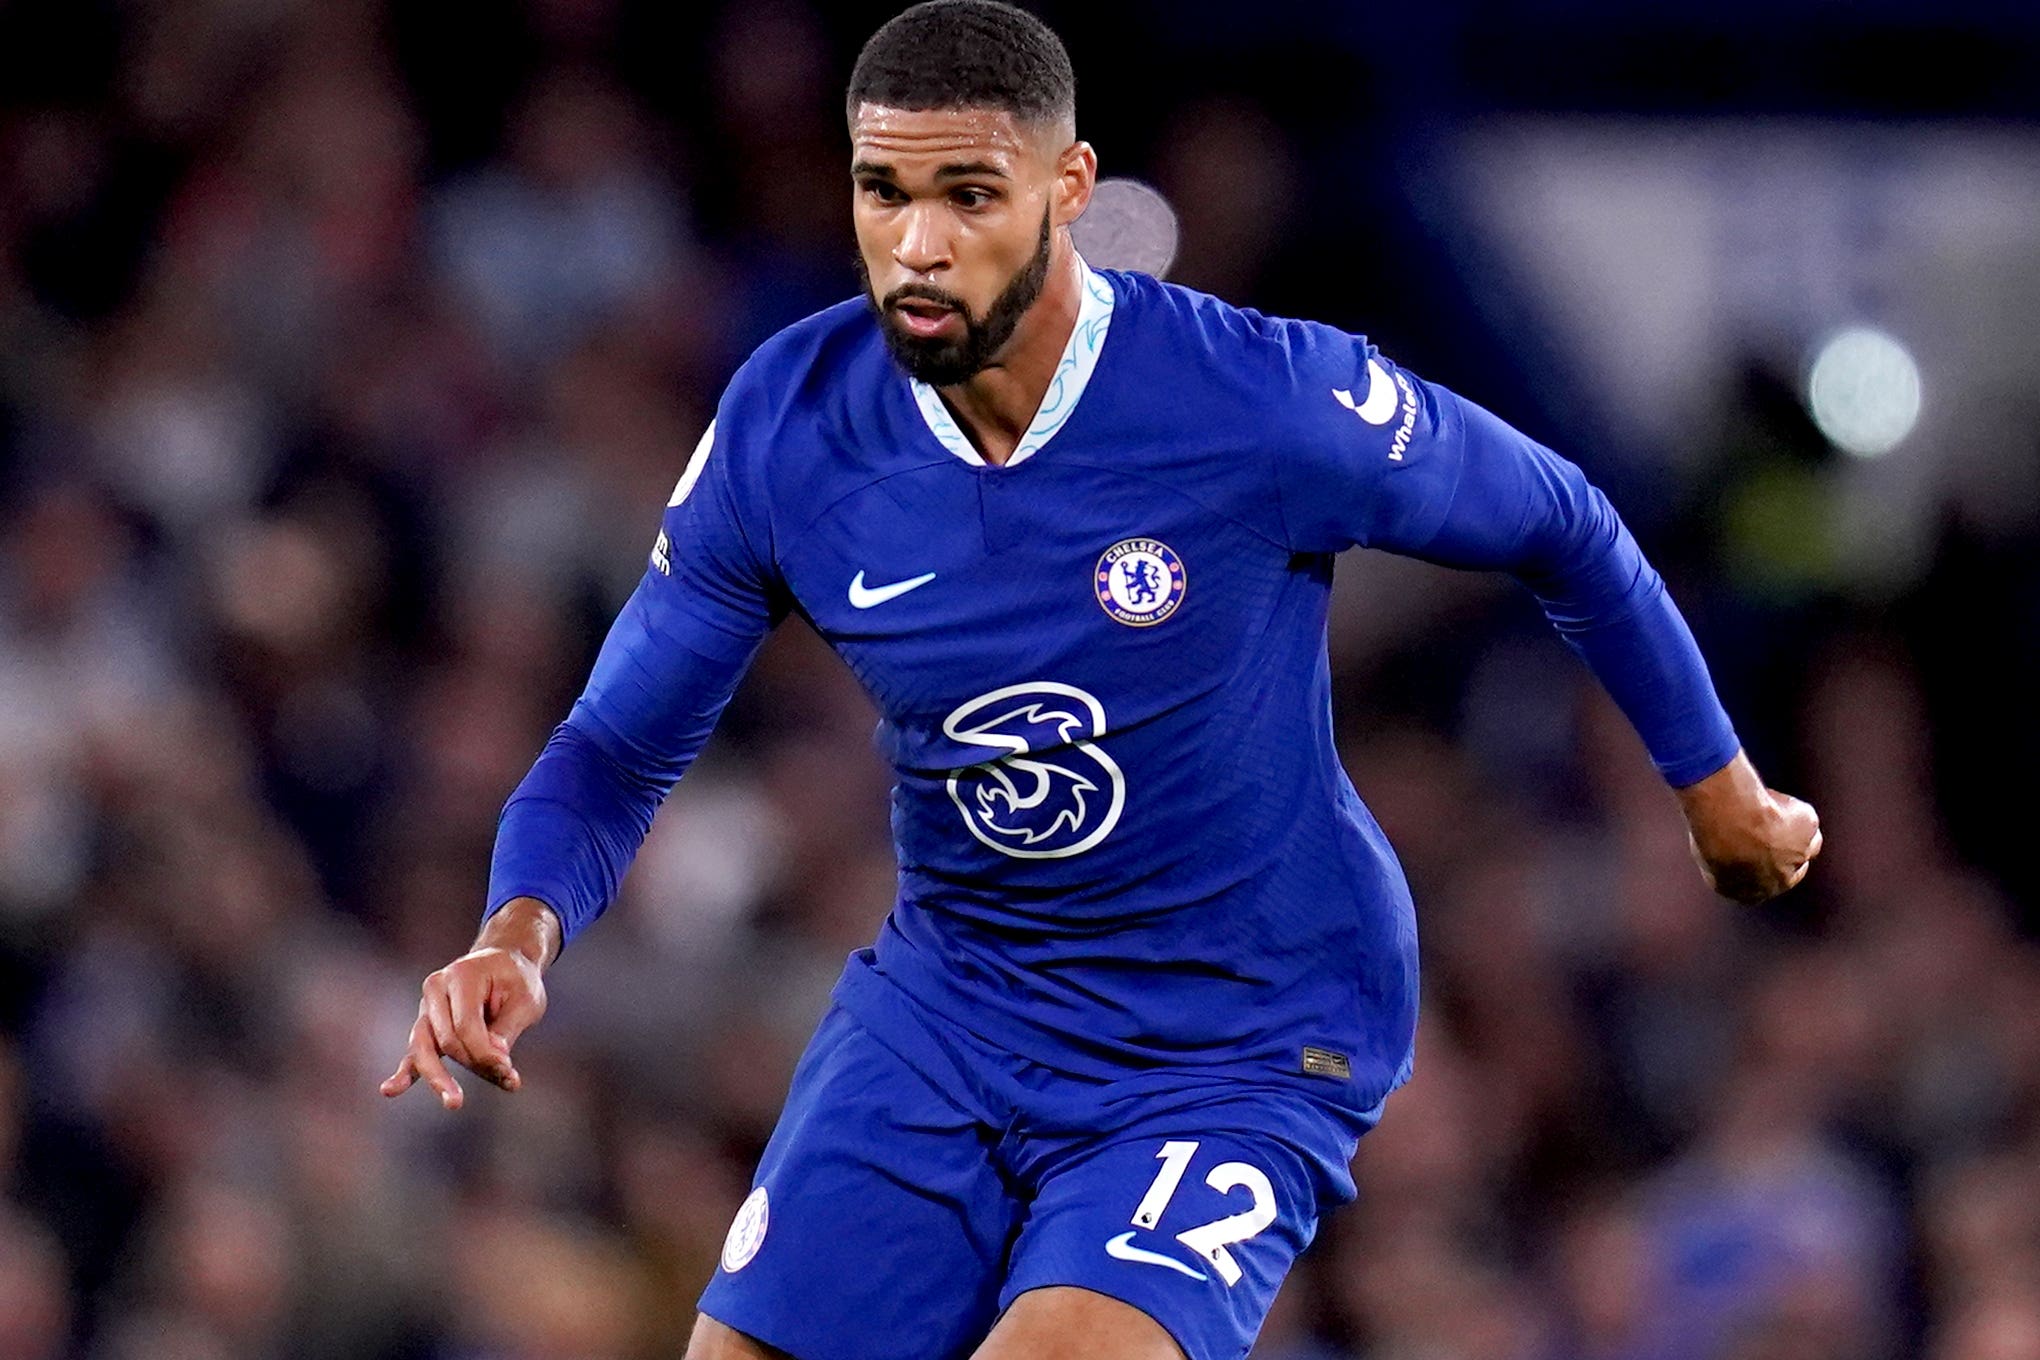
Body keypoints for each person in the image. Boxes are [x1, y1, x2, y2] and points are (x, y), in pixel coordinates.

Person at [381, 3, 1823, 1358]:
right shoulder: (792, 424)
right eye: (884, 193)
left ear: (1070, 188)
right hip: (955, 1006)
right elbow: (618, 745)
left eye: (969, 195)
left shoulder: (1254, 404)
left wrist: (1723, 794)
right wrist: (520, 932)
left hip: (1236, 1033)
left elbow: (1562, 520)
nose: (918, 245)